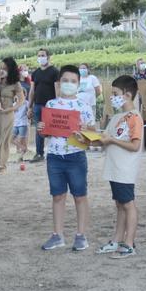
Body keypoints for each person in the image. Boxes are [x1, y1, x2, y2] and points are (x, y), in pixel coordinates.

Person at [36, 65, 97, 252]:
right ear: (59, 83)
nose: (69, 84)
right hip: (54, 156)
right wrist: (41, 130)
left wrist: (84, 131)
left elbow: (92, 133)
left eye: (73, 81)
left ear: (79, 84)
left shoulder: (83, 106)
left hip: (76, 156)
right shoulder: (51, 105)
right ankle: (57, 235)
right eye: (65, 81)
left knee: (80, 196)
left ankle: (81, 235)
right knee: (57, 196)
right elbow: (47, 133)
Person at [96, 75, 143, 258]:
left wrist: (112, 140)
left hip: (125, 169)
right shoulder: (117, 117)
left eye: (115, 93)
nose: (112, 97)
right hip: (114, 168)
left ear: (128, 94)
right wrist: (86, 136)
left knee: (128, 204)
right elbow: (104, 140)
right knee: (119, 204)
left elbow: (135, 145)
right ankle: (117, 240)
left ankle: (129, 243)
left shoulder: (134, 117)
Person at [27, 48, 59, 162]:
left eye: (43, 55)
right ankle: (39, 153)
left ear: (48, 57)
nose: (41, 57)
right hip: (38, 105)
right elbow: (32, 90)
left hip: (50, 106)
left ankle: (55, 152)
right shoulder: (35, 73)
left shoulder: (54, 71)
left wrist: (58, 105)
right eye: (39, 55)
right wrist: (30, 106)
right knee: (39, 130)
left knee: (53, 129)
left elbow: (57, 89)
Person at [12, 65, 32, 161]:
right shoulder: (16, 83)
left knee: (26, 131)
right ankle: (18, 150)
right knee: (16, 133)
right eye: (23, 70)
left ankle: (25, 149)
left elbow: (32, 93)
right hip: (18, 105)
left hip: (27, 106)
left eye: (26, 70)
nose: (25, 72)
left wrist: (30, 108)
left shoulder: (29, 82)